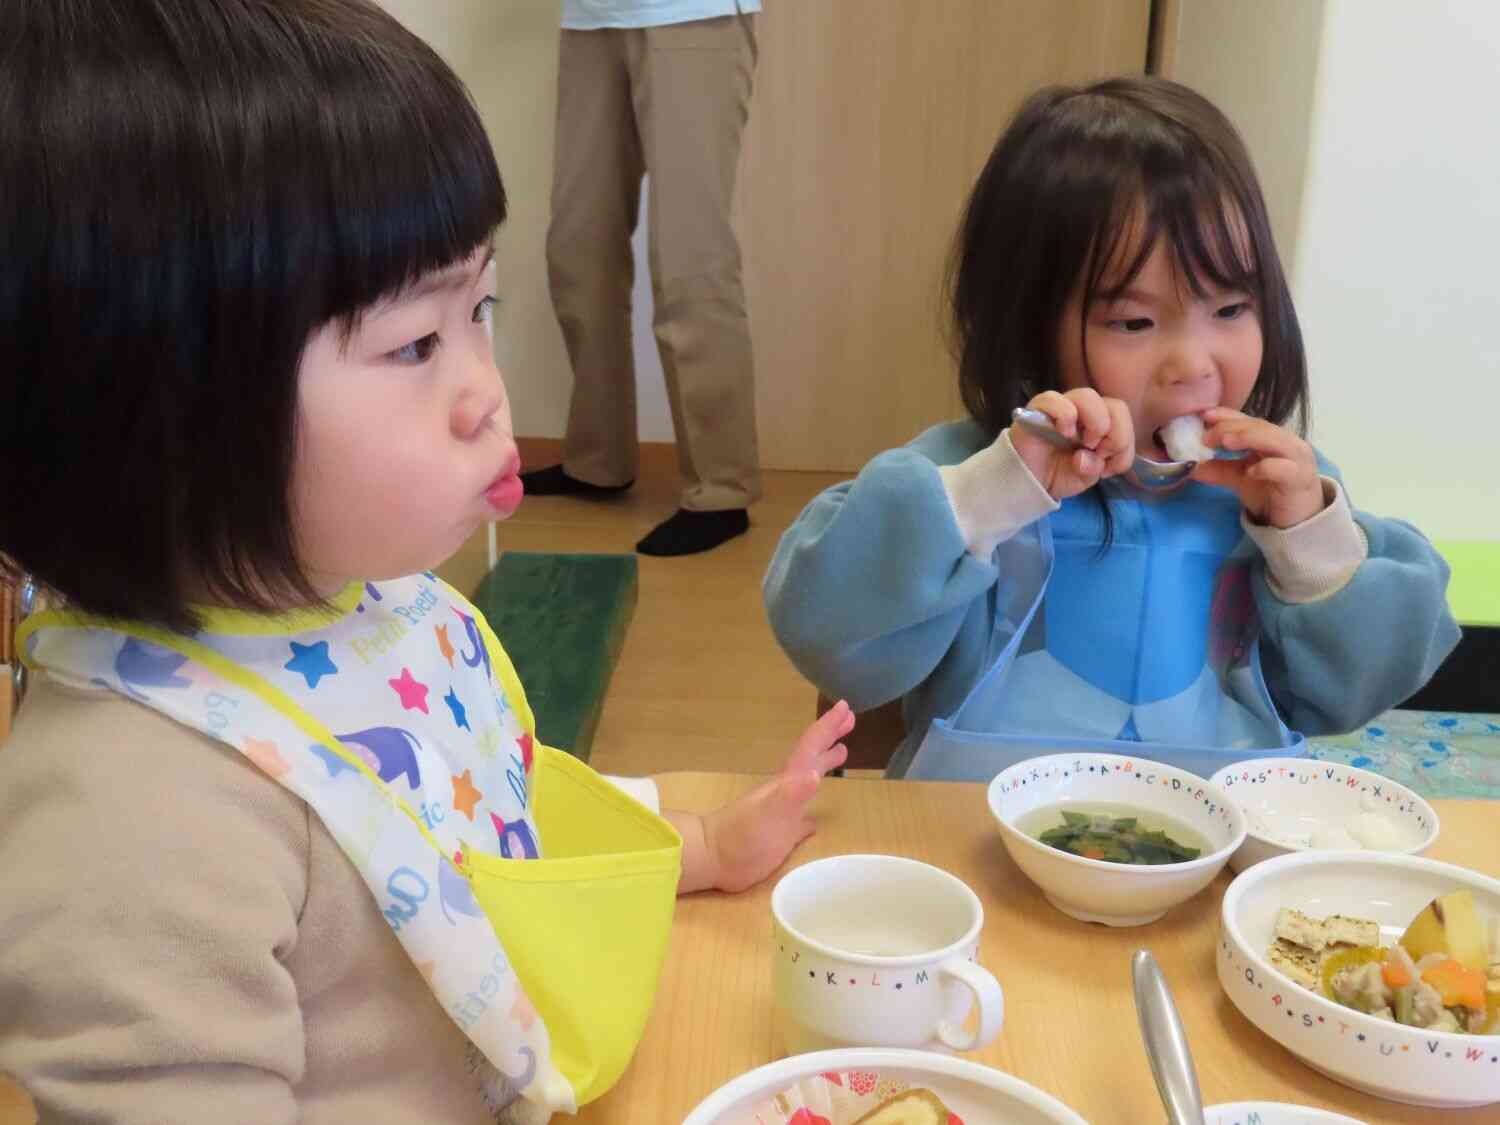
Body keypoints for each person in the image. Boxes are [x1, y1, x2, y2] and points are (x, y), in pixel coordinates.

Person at [0, 2, 852, 1121]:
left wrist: (697, 845)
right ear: (158, 409)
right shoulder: (136, 818)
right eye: (415, 343)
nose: (489, 392)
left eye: (479, 308)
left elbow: (481, 815)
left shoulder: (374, 606)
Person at [764, 77, 1460, 781]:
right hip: (977, 848)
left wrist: (1310, 543)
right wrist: (988, 495)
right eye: (1135, 322)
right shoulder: (971, 471)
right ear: (1029, 325)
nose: (1193, 365)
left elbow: (1363, 688)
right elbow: (824, 633)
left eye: (1230, 310)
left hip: (1208, 855)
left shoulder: (1281, 499)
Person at [520, 0, 762, 557]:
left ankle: (722, 490)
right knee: (580, 251)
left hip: (693, 16)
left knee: (689, 260)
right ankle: (597, 461)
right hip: (590, 20)